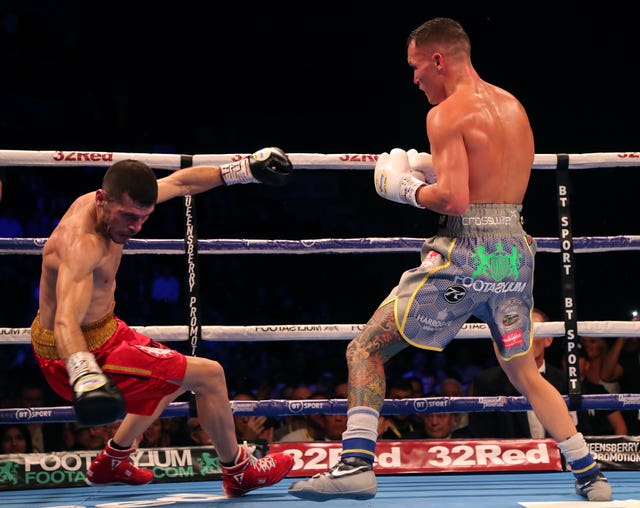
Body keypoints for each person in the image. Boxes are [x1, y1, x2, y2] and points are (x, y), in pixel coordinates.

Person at [288, 18, 611, 502]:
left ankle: (355, 463)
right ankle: (590, 472)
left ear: (438, 59)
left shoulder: (445, 114)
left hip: (466, 252)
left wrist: (403, 186)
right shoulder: (512, 106)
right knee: (522, 368)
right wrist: (432, 164)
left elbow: (455, 200)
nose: (414, 79)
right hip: (515, 253)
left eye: (416, 67)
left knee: (364, 348)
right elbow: (488, 177)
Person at [29, 148, 295, 497]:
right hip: (73, 353)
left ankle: (113, 460)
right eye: (128, 217)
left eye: (143, 217)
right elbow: (66, 321)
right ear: (101, 200)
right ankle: (240, 470)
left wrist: (243, 170)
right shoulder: (82, 244)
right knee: (210, 375)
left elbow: (181, 181)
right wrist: (84, 373)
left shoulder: (117, 204)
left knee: (172, 377)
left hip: (106, 332)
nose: (136, 227)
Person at [468, 308, 566, 439]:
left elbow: (582, 430)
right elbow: (482, 435)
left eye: (532, 331)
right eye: (520, 331)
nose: (526, 339)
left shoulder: (565, 381)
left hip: (559, 457)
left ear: (548, 340)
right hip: (508, 457)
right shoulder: (488, 382)